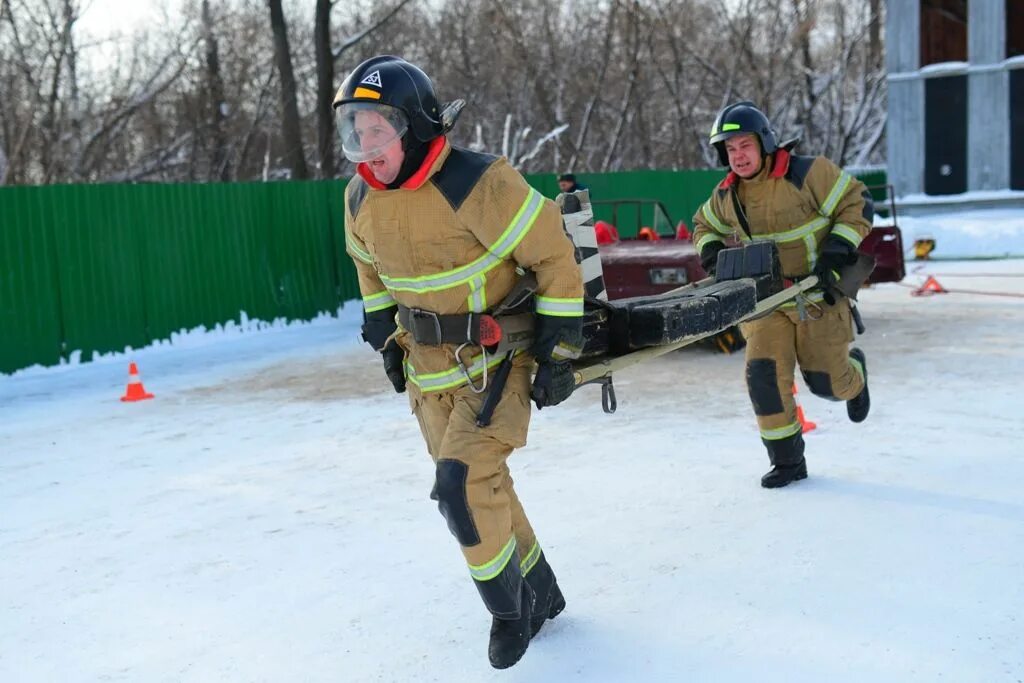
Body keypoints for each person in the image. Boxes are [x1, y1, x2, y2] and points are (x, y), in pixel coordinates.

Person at [335, 55, 584, 669]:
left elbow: (555, 257)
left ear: (416, 127)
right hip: (428, 374)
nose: (367, 147)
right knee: (483, 484)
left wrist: (561, 350)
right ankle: (541, 591)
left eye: (378, 130)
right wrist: (381, 330)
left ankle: (509, 612)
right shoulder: (361, 195)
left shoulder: (481, 182)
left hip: (498, 362)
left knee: (458, 487)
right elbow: (369, 267)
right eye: (356, 132)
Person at [692, 101, 872, 489]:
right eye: (730, 149)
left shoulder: (808, 173)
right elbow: (703, 224)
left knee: (826, 383)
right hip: (767, 302)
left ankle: (855, 377)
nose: (737, 156)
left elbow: (857, 203)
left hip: (817, 295)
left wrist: (838, 251)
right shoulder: (727, 195)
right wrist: (711, 253)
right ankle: (788, 462)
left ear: (765, 142)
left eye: (744, 146)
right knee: (763, 378)